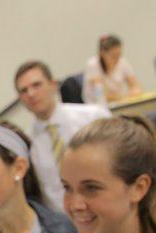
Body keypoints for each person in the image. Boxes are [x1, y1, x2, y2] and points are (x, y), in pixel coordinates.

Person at [14, 61, 110, 214]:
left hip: (105, 209)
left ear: (53, 85)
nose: (31, 94)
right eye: (24, 91)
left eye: (36, 85)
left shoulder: (93, 117)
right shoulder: (24, 144)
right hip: (64, 224)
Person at [83, 35, 143, 104]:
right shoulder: (93, 65)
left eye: (119, 54)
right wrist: (122, 96)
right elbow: (103, 95)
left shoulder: (122, 61)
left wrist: (134, 91)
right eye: (113, 55)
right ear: (102, 53)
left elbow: (136, 86)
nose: (116, 59)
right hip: (97, 106)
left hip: (119, 103)